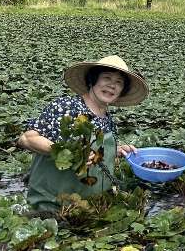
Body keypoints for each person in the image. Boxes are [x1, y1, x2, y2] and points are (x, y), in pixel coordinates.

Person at [18, 55, 149, 211]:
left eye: (119, 82)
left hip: (89, 206)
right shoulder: (67, 107)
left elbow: (95, 153)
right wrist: (71, 153)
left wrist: (115, 150)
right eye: (107, 78)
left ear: (122, 90)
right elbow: (26, 139)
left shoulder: (107, 118)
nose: (112, 85)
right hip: (53, 206)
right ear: (92, 80)